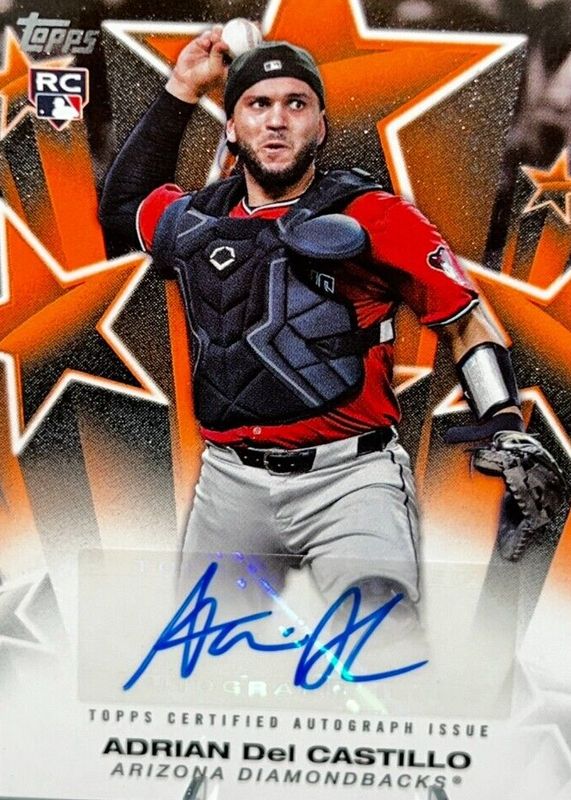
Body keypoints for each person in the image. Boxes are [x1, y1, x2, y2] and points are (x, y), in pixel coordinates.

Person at [99, 27, 524, 625]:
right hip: (230, 483)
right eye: (257, 104)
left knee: (381, 641)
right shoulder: (195, 221)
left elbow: (463, 319)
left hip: (351, 479)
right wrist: (181, 88)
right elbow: (123, 208)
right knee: (202, 661)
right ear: (231, 126)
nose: (276, 120)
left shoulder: (375, 215)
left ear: (320, 126)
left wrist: (504, 422)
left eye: (295, 104)